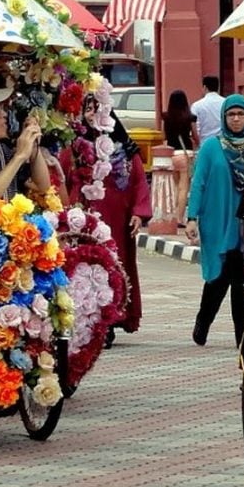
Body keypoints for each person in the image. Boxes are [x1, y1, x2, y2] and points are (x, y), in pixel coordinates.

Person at [60, 97, 152, 336]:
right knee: (87, 270)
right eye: (87, 110)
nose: (91, 115)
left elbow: (139, 182)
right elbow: (61, 182)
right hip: (85, 223)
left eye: (95, 109)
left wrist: (138, 214)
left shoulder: (124, 149)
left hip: (118, 223)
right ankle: (95, 320)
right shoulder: (73, 148)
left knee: (116, 268)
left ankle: (114, 317)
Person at [184, 94, 244, 347]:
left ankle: (241, 337)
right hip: (216, 219)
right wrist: (191, 218)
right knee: (217, 277)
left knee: (240, 281)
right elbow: (199, 183)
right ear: (224, 118)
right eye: (231, 115)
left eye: (241, 114)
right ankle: (203, 321)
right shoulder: (211, 147)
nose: (236, 119)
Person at [162, 89, 198, 226]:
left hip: (171, 154)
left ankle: (173, 214)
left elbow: (163, 136)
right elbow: (195, 136)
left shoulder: (166, 117)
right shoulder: (190, 117)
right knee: (184, 187)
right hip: (185, 153)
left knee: (175, 186)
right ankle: (179, 217)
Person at [190, 75, 223, 142]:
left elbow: (194, 128)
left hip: (204, 142)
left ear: (204, 87)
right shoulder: (225, 102)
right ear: (218, 87)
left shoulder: (197, 105)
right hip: (222, 143)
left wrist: (198, 143)